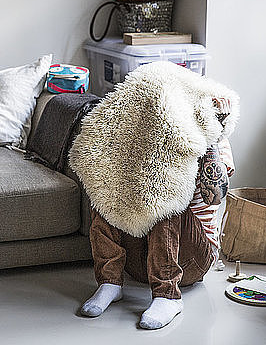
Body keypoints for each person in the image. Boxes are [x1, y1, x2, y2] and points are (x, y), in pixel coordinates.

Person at [79, 98, 235, 330]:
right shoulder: (145, 137)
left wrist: (212, 133)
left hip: (191, 260)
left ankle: (168, 297)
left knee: (166, 196)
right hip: (139, 261)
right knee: (104, 190)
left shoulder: (213, 140)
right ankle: (109, 283)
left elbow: (215, 196)